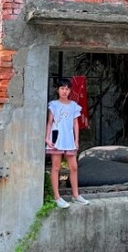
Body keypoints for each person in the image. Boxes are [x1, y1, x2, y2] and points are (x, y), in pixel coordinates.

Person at [45, 78, 90, 208]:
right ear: (58, 90)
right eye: (62, 88)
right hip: (56, 138)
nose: (64, 91)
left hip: (69, 139)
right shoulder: (53, 105)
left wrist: (76, 140)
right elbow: (50, 123)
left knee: (74, 167)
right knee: (56, 167)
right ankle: (57, 197)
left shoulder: (74, 106)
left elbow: (76, 123)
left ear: (70, 90)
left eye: (67, 89)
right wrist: (47, 138)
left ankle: (76, 195)